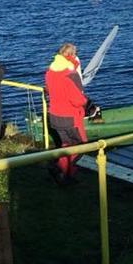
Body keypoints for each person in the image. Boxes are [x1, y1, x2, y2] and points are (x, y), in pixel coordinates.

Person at [44, 42, 94, 185]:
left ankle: (67, 176)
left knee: (66, 145)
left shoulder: (50, 71)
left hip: (54, 115)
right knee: (81, 146)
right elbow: (77, 99)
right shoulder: (70, 75)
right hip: (70, 116)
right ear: (72, 55)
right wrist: (88, 104)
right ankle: (59, 167)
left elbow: (48, 89)